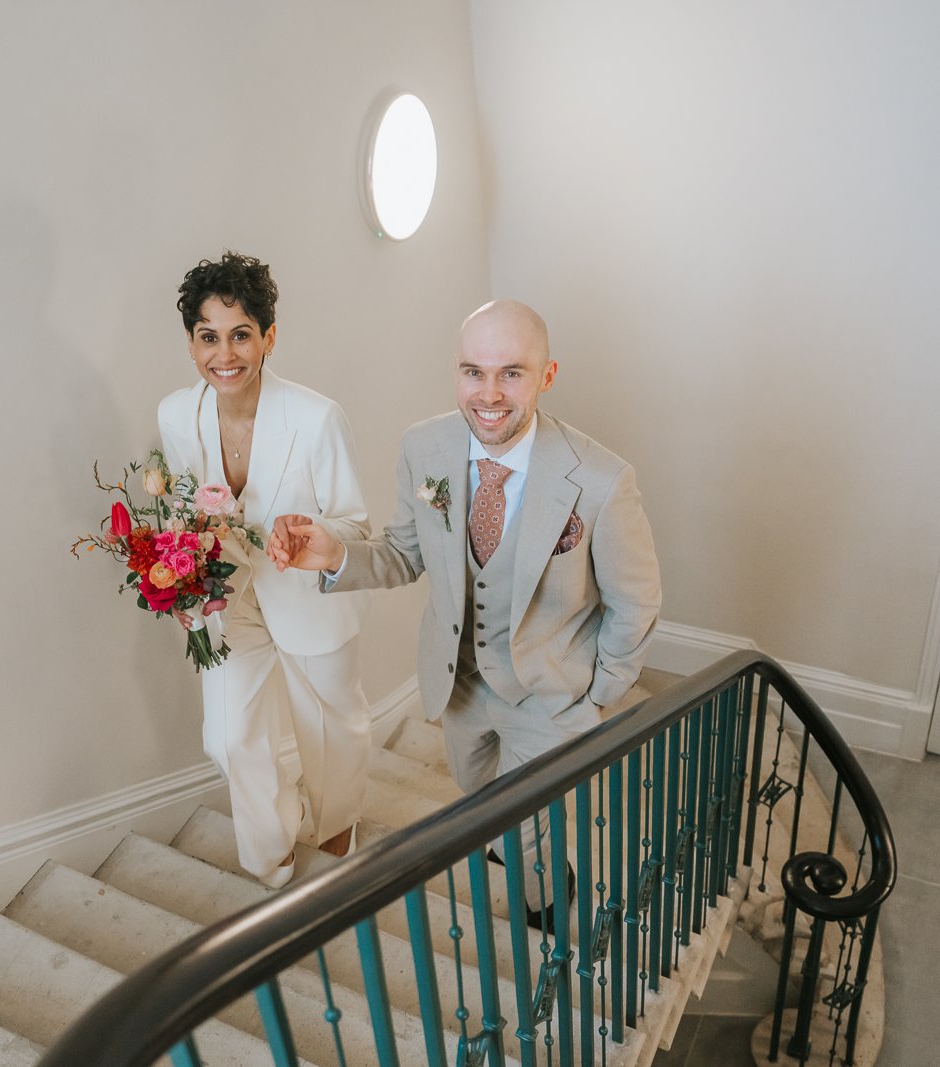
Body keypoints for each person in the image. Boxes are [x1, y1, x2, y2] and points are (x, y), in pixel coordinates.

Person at [267, 298, 660, 919]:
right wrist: (335, 554)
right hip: (460, 685)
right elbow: (404, 554)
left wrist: (598, 696)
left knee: (529, 824)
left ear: (547, 375)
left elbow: (635, 602)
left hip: (550, 694)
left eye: (512, 373)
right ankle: (508, 844)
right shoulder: (424, 448)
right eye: (474, 371)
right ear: (457, 370)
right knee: (476, 790)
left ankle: (546, 903)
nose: (489, 394)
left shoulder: (602, 480)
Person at [158, 251, 373, 889]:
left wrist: (314, 538)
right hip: (225, 595)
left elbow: (355, 525)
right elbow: (180, 507)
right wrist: (179, 576)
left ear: (268, 337)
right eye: (208, 337)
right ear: (191, 343)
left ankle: (336, 824)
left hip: (309, 595)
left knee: (329, 725)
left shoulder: (317, 418)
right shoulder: (175, 415)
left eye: (241, 335)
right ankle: (270, 843)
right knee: (228, 736)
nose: (224, 354)